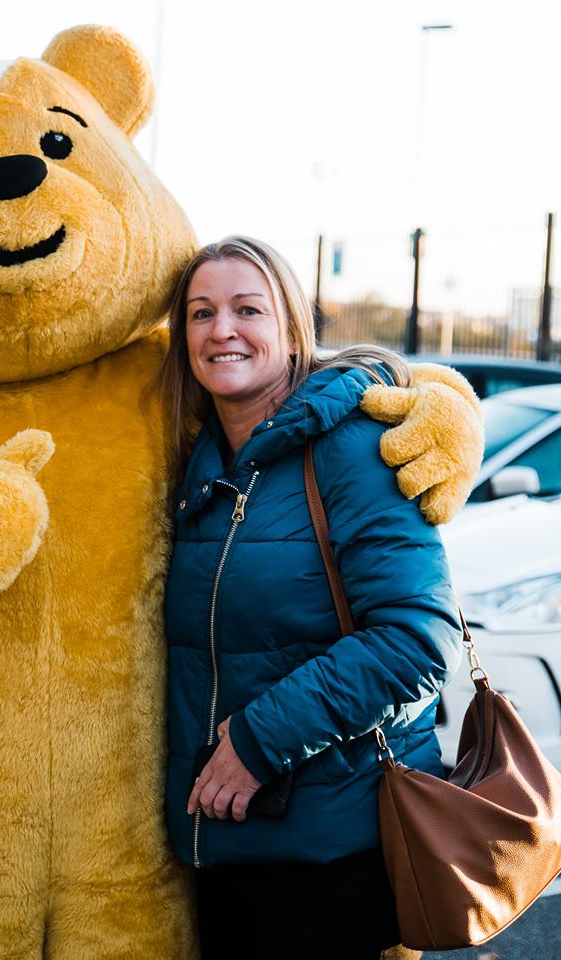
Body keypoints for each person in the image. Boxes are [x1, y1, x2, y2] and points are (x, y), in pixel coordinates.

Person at [158, 236, 463, 960]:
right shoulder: (197, 467)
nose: (220, 330)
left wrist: (259, 742)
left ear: (291, 328)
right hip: (224, 843)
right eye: (200, 313)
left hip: (332, 851)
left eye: (245, 309)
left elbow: (416, 640)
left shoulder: (353, 446)